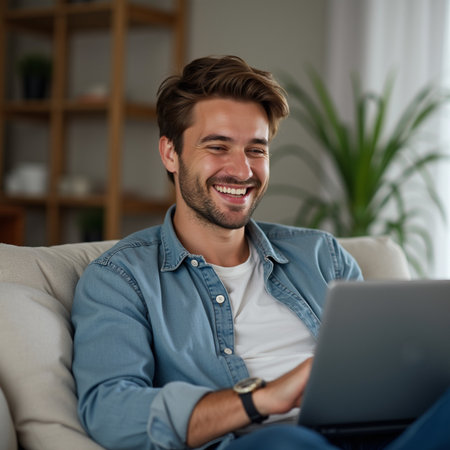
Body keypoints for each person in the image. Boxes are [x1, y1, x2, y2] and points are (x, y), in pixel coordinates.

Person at [71, 55, 450, 450]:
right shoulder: (121, 279)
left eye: (257, 150)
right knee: (288, 442)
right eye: (218, 146)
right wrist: (260, 399)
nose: (242, 170)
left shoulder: (322, 255)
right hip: (266, 443)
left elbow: (383, 370)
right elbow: (110, 411)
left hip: (374, 440)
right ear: (170, 153)